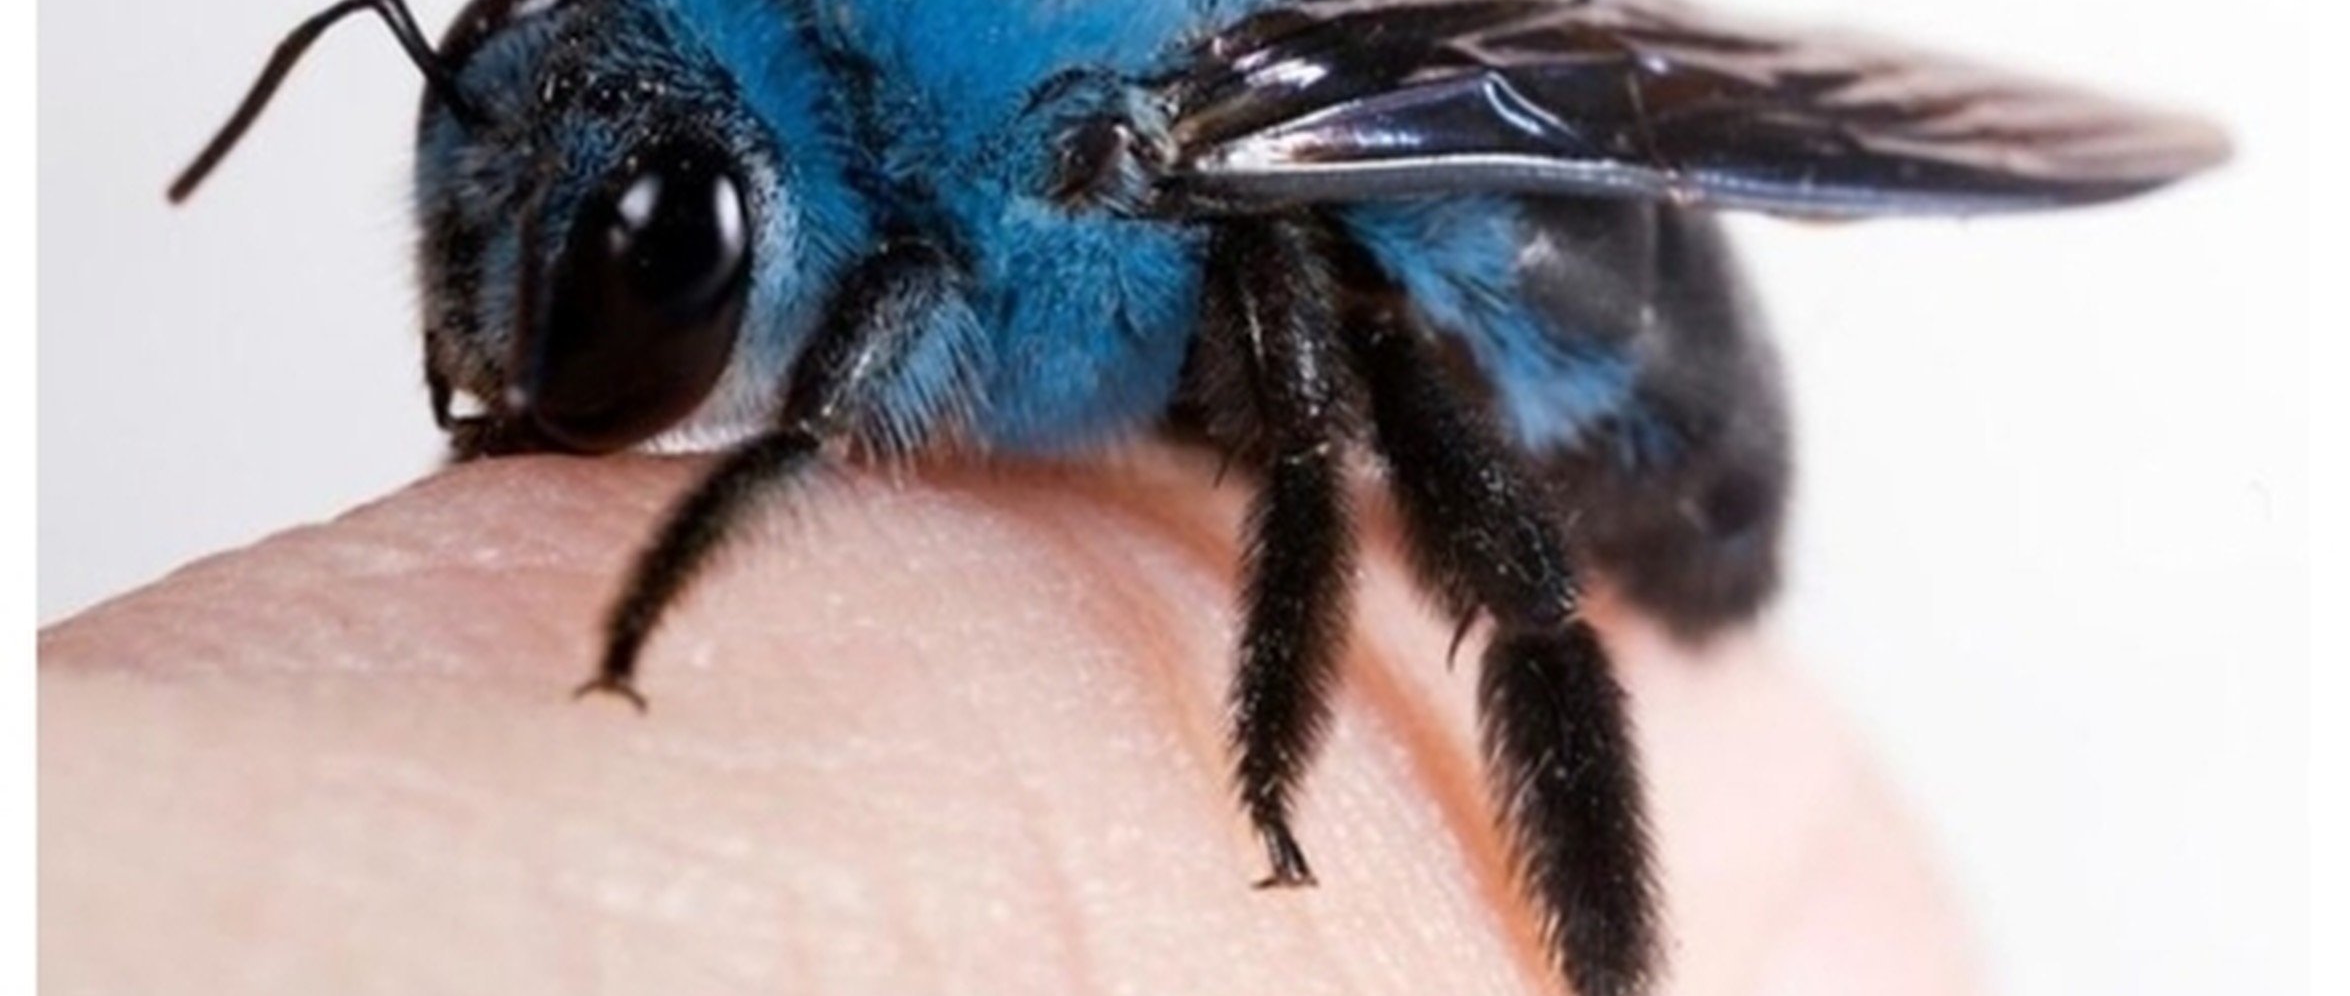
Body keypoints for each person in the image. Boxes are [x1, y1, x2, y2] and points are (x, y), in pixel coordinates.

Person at [41, 448, 1976, 994]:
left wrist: (1264, 757)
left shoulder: (1066, 144)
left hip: (1620, 393)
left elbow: (1300, 390)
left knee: (1325, 334)